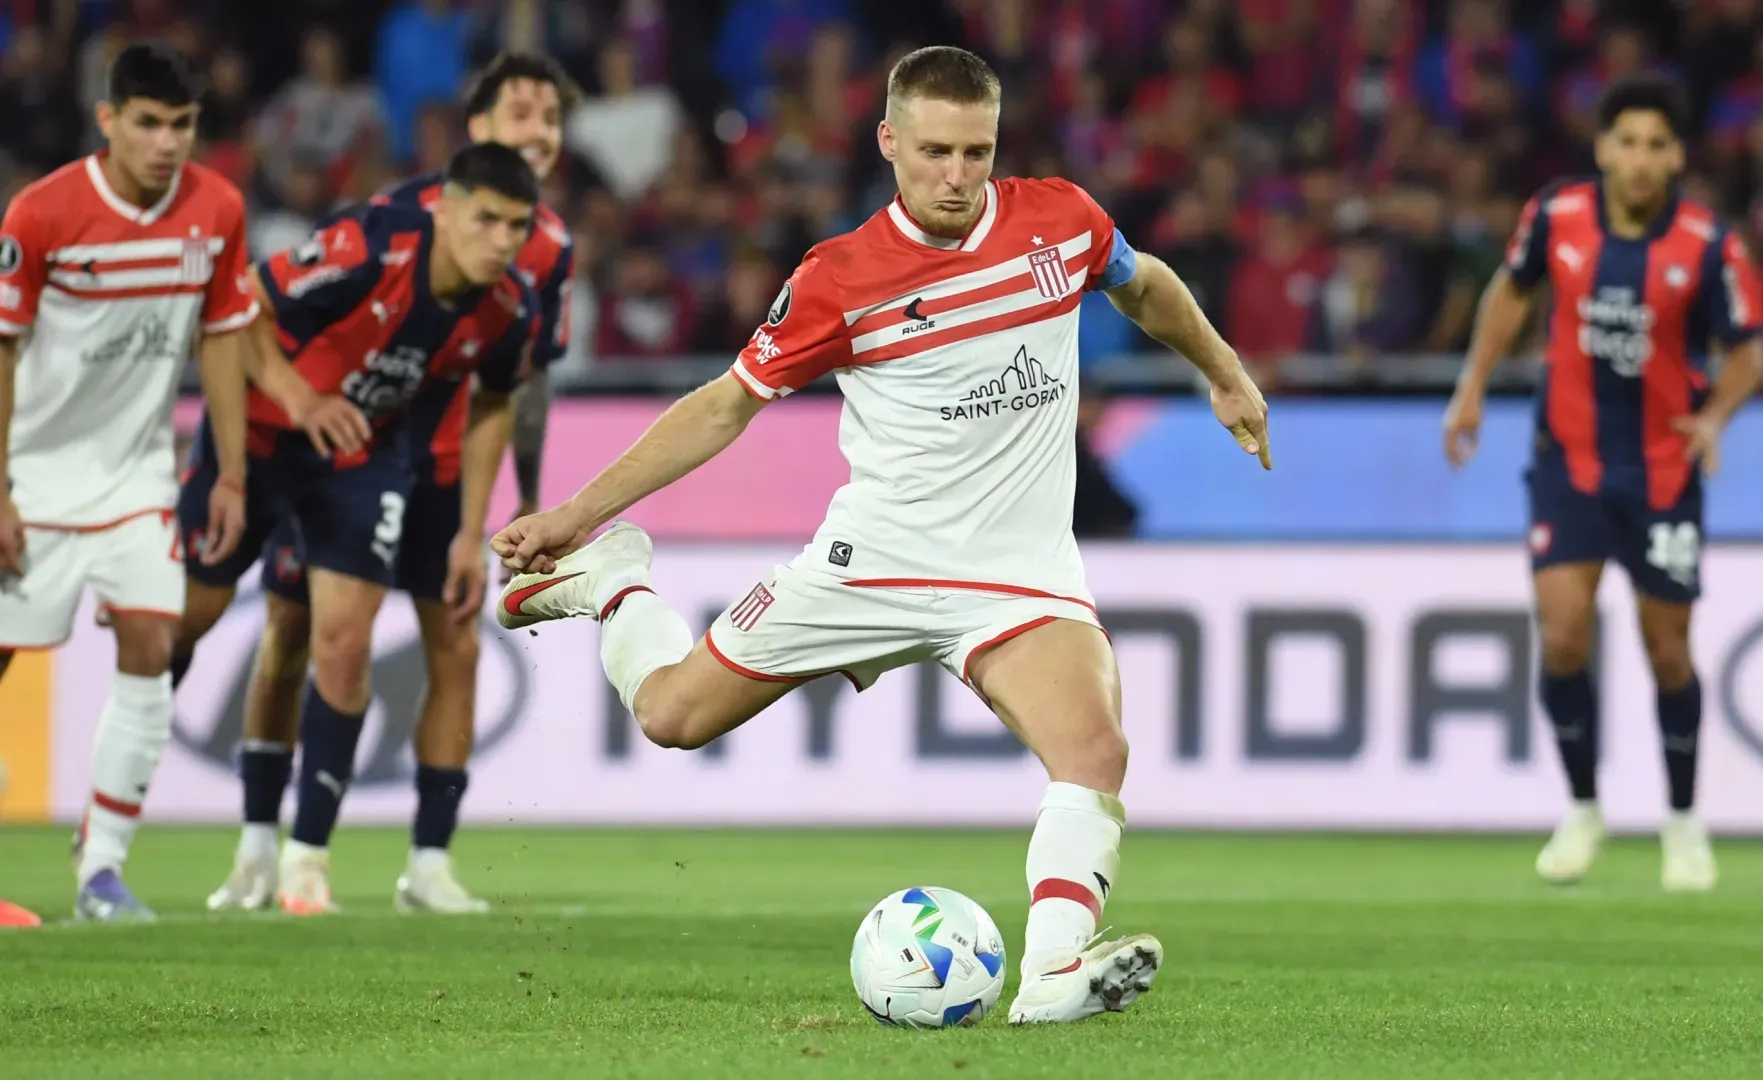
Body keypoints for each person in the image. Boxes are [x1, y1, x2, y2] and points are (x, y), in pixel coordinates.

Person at [491, 46, 1270, 1023]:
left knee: (1095, 746)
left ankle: (1053, 976)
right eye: (935, 151)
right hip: (875, 564)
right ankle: (615, 582)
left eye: (977, 153)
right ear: (889, 143)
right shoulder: (840, 278)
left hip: (1017, 573)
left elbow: (1144, 282)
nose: (956, 175)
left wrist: (1223, 369)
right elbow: (726, 407)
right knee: (670, 717)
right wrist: (573, 517)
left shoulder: (1060, 222)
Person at [205, 52, 578, 917]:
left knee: (455, 638)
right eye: (522, 115)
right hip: (358, 451)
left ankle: (430, 861)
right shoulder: (402, 220)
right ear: (476, 130)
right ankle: (268, 844)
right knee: (297, 631)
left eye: (553, 118)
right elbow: (280, 305)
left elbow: (517, 382)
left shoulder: (546, 249)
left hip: (444, 472)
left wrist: (519, 498)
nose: (541, 133)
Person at [1442, 74, 1763, 892]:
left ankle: (1684, 822)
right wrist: (1473, 384)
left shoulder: (1707, 242)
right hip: (1569, 463)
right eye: (1628, 141)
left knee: (1668, 652)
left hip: (1662, 472)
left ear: (1677, 154)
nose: (1641, 159)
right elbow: (1510, 293)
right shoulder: (1557, 216)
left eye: (1658, 144)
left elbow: (1748, 353)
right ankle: (1584, 807)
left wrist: (1713, 420)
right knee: (1563, 635)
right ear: (1603, 148)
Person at [0, 42, 263, 922]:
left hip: (137, 480)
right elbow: (2, 353)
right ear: (108, 120)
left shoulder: (217, 209)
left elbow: (224, 337)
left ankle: (102, 872)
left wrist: (228, 473)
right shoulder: (40, 215)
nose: (165, 143)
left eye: (181, 125)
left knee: (154, 645)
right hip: (31, 477)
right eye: (147, 123)